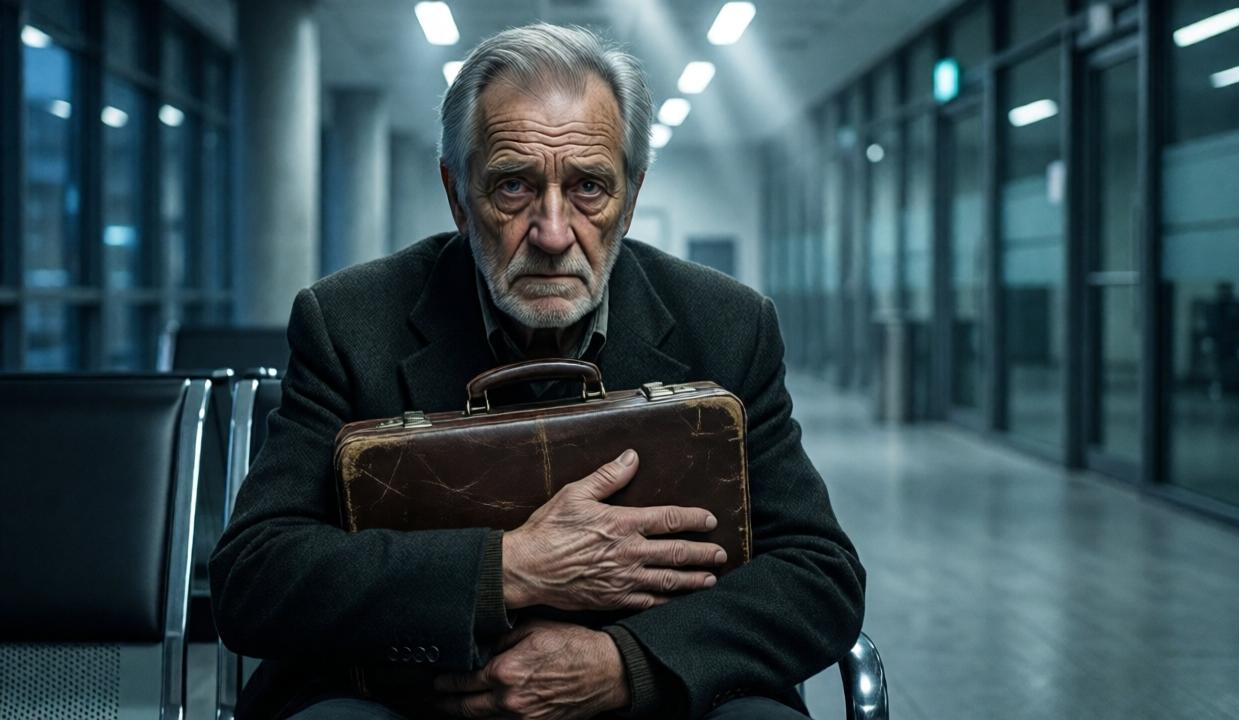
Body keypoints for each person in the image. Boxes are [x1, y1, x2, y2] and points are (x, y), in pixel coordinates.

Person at [210, 23, 865, 720]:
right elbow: (255, 577)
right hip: (418, 697)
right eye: (514, 186)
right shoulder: (349, 322)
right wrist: (507, 568)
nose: (553, 234)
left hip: (651, 695)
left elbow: (820, 575)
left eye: (588, 187)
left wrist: (626, 665)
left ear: (632, 197)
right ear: (458, 196)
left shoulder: (728, 326)